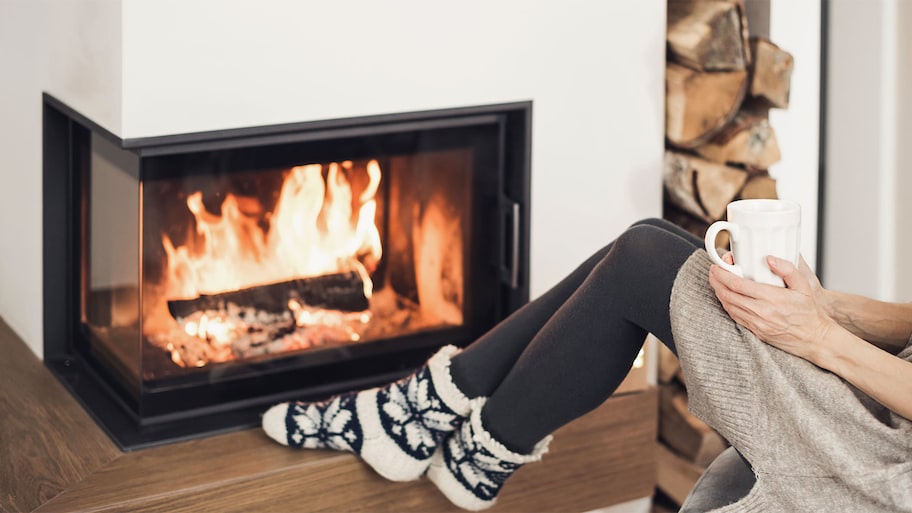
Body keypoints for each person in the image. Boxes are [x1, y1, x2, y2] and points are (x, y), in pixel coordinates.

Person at [261, 218, 912, 511]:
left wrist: (823, 337)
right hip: (881, 381)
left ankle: (429, 425)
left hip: (881, 455)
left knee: (642, 260)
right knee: (651, 245)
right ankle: (447, 434)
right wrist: (825, 306)